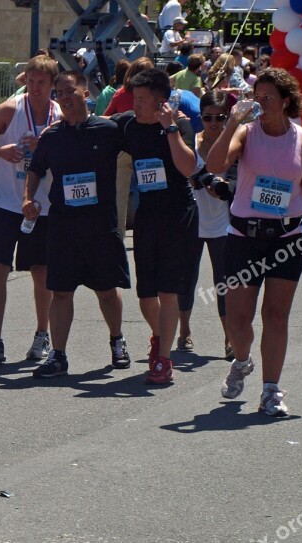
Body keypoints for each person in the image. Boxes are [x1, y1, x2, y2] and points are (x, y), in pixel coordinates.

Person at [207, 68, 302, 417]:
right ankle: (242, 361)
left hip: (287, 239)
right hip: (245, 237)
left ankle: (271, 391)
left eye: (267, 98)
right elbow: (215, 164)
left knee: (276, 317)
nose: (259, 104)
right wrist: (232, 122)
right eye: (256, 97)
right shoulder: (246, 133)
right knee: (237, 319)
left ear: (285, 101)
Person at [24, 71, 132, 378]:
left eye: (70, 91)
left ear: (86, 93)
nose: (65, 97)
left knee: (107, 290)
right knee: (60, 292)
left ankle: (117, 340)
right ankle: (58, 355)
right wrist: (28, 198)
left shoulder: (108, 129)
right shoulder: (52, 136)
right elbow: (35, 169)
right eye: (59, 93)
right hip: (63, 226)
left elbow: (141, 143)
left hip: (100, 226)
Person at [0, 55, 62, 364]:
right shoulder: (11, 109)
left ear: (52, 85)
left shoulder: (59, 116)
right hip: (4, 202)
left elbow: (70, 156)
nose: (35, 87)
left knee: (42, 272)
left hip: (40, 204)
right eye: (31, 81)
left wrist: (45, 150)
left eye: (42, 83)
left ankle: (41, 335)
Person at [112, 68, 198, 384]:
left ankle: (163, 359)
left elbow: (188, 167)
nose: (136, 105)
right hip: (147, 216)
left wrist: (170, 128)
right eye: (135, 99)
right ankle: (159, 337)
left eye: (143, 100)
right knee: (146, 293)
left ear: (161, 101)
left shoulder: (181, 126)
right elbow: (95, 130)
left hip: (178, 216)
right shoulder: (128, 126)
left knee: (167, 289)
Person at [177, 90, 236, 357]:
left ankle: (229, 338)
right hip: (193, 221)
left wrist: (226, 187)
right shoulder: (192, 141)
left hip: (222, 223)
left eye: (220, 117)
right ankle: (184, 333)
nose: (214, 122)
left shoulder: (233, 143)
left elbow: (238, 179)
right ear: (201, 116)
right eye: (209, 117)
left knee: (224, 282)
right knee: (187, 278)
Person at [104, 57, 154, 238]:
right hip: (148, 148)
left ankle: (118, 236)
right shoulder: (153, 94)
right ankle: (149, 233)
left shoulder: (121, 93)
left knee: (119, 197)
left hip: (123, 148)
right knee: (151, 192)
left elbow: (106, 117)